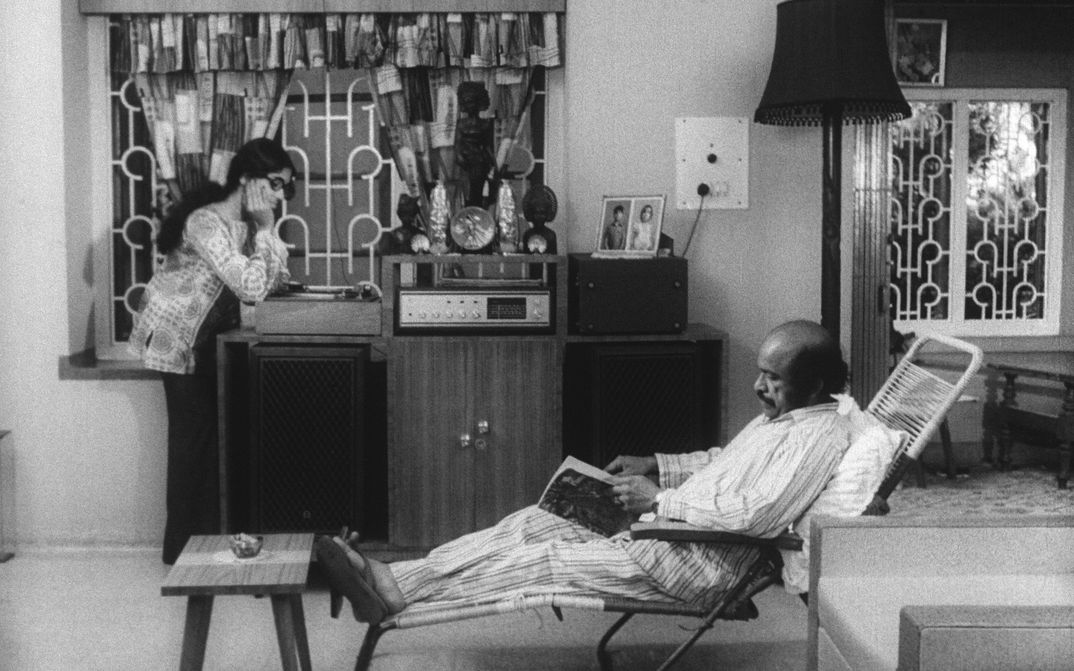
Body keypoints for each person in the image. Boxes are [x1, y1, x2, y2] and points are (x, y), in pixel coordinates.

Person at [316, 320, 851, 621]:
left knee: (547, 562)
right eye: (760, 374)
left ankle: (397, 593)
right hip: (666, 535)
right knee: (536, 522)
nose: (760, 387)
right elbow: (720, 465)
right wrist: (658, 466)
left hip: (698, 563)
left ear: (814, 382)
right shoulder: (783, 418)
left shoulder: (817, 436)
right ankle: (395, 577)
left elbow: (758, 515)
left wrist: (659, 501)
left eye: (773, 378)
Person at [129, 137, 295, 565]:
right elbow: (252, 287)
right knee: (192, 441)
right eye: (275, 183)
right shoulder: (207, 222)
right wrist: (264, 230)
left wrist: (265, 234)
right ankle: (179, 553)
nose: (279, 196)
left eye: (285, 189)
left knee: (214, 439)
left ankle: (206, 545)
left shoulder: (244, 225)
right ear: (246, 178)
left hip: (209, 342)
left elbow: (276, 278)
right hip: (175, 339)